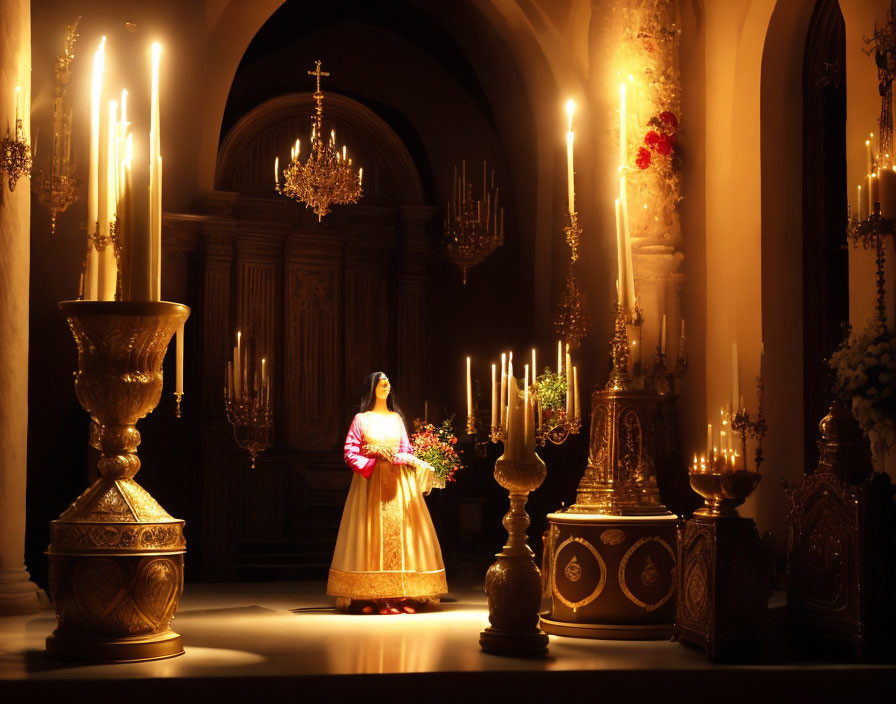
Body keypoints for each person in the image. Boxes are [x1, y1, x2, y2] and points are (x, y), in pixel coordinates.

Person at [327, 372, 447, 614]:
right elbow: (350, 452)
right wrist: (372, 460)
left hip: (398, 483)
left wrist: (400, 458)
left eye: (388, 383)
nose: (385, 386)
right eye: (381, 384)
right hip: (370, 485)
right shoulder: (362, 419)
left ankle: (402, 595)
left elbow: (406, 449)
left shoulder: (396, 420)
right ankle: (370, 596)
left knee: (404, 535)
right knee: (369, 535)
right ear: (372, 389)